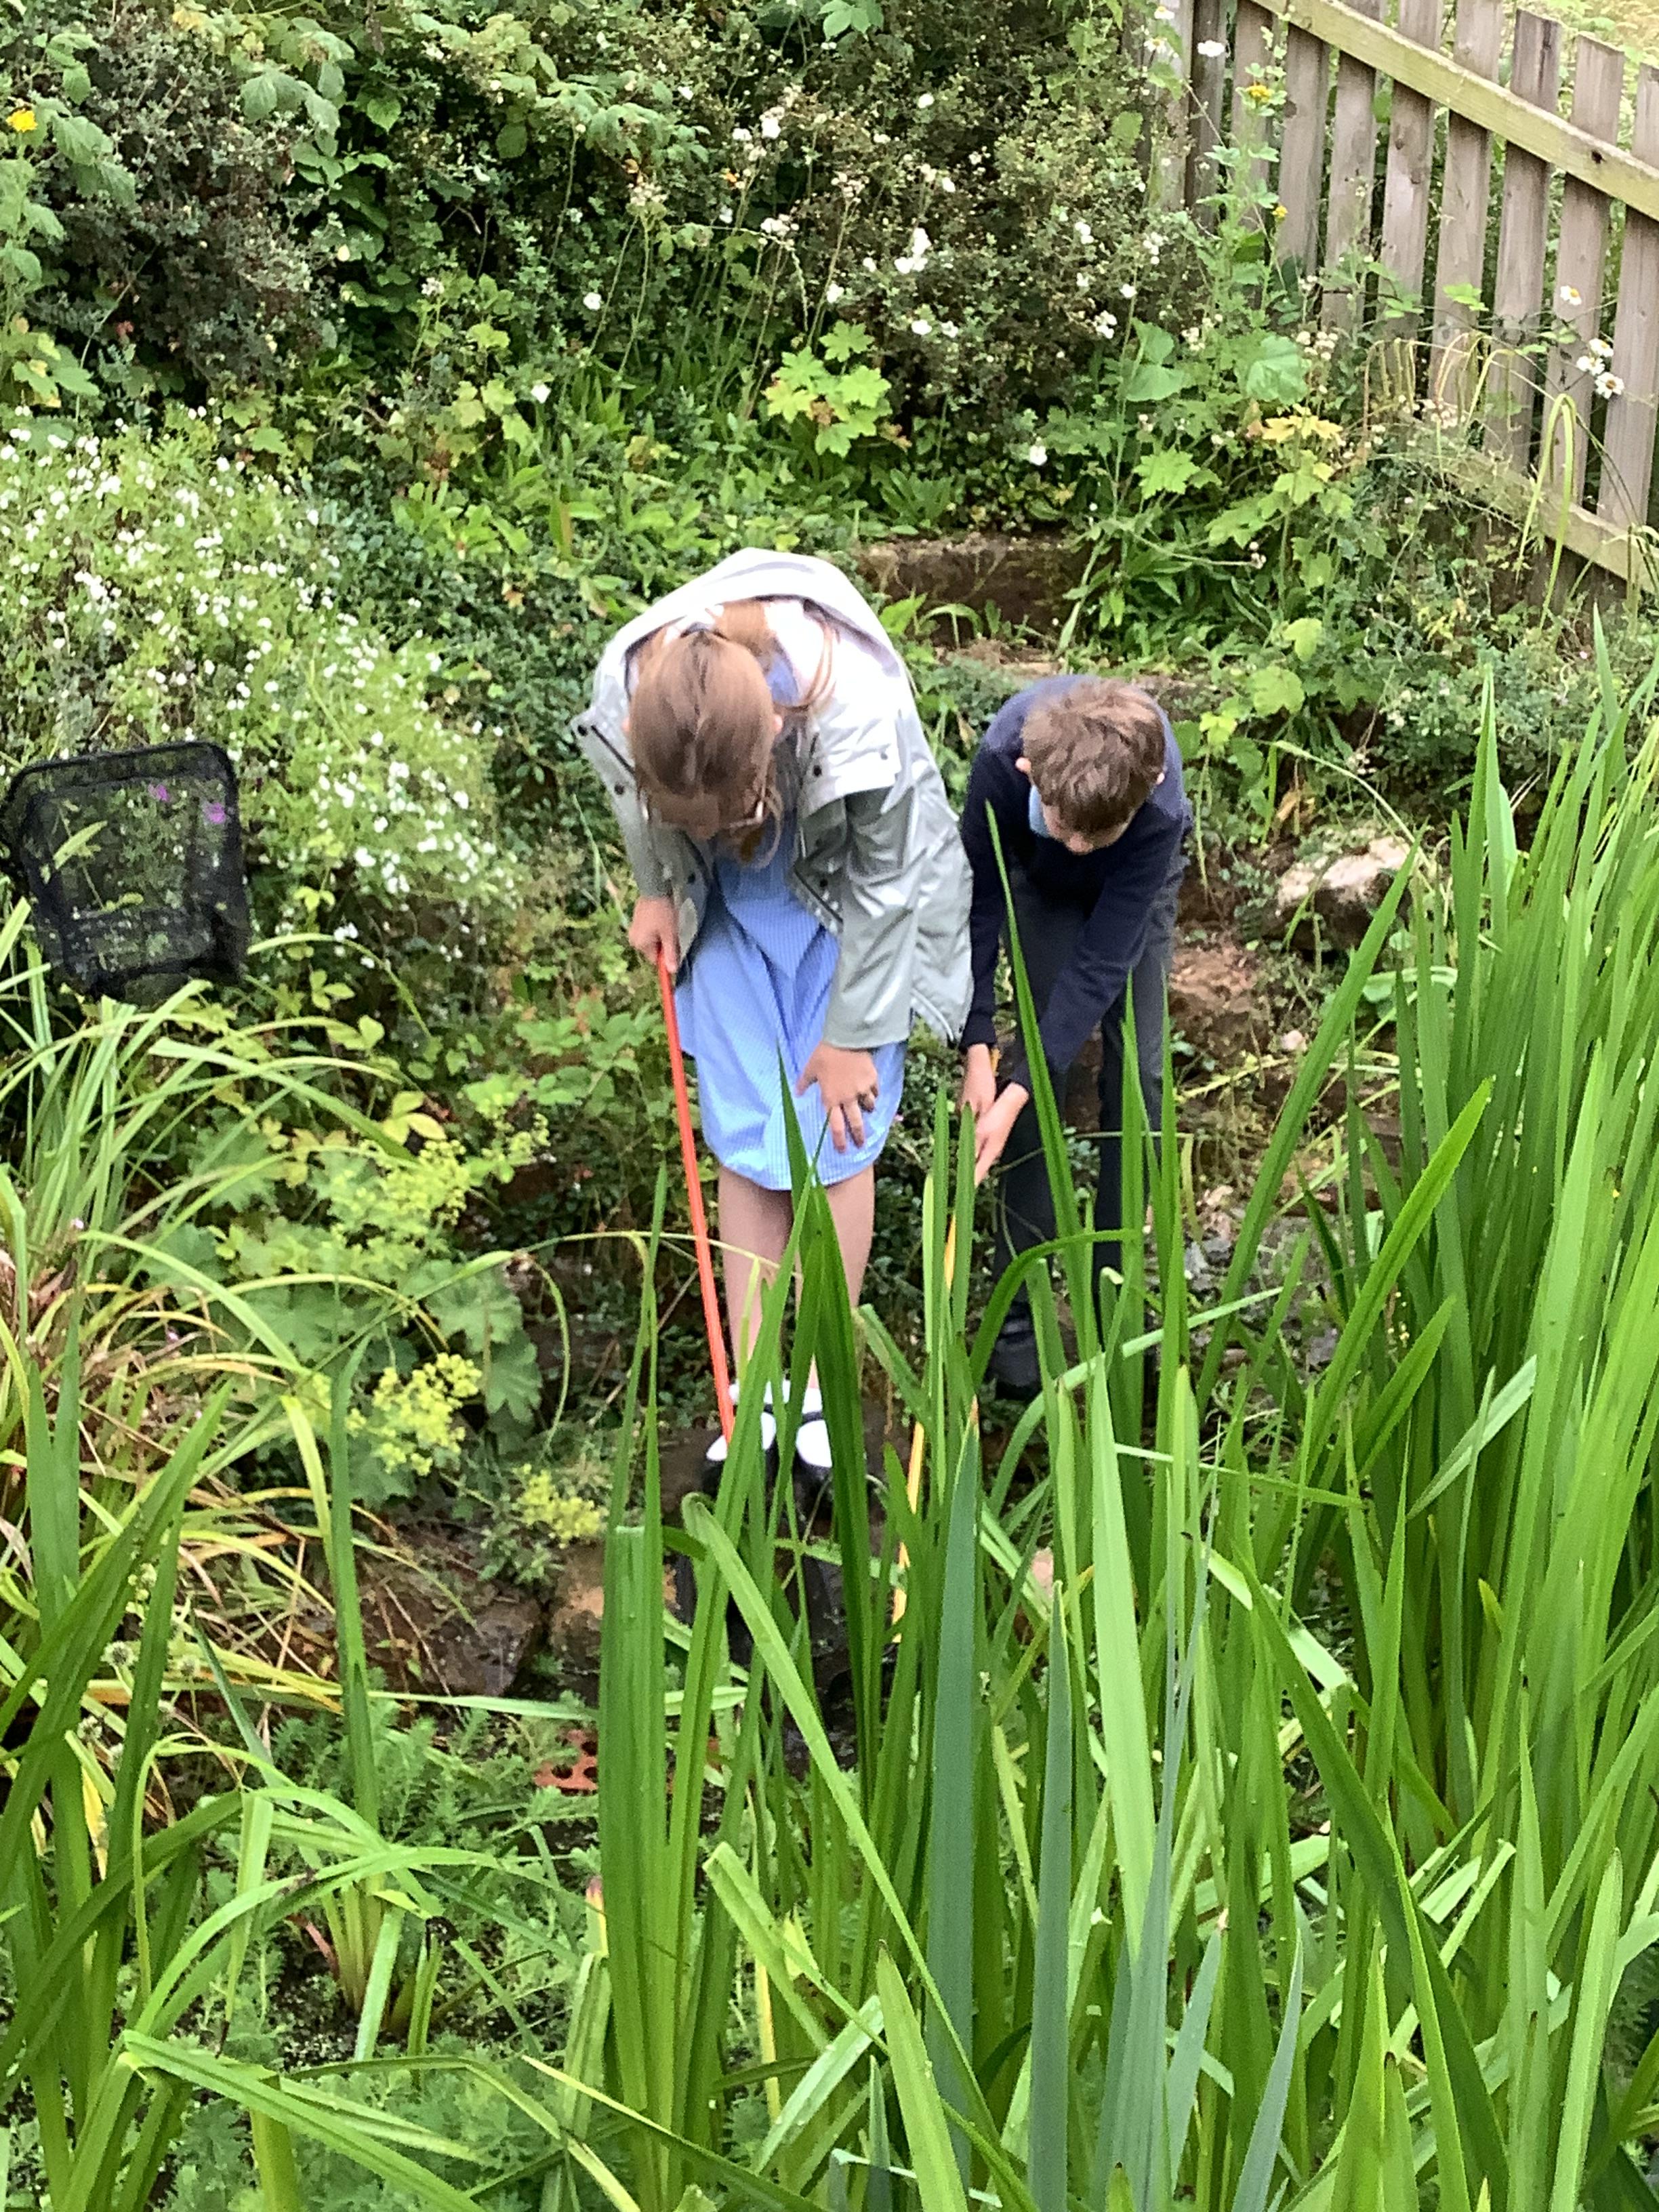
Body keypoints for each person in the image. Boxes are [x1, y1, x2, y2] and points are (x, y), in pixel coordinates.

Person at [577, 550, 972, 1473]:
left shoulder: (857, 706)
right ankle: (757, 1392)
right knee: (747, 1134)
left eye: (715, 815)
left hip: (842, 918)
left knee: (837, 1139)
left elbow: (888, 884)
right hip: (725, 912)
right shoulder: (630, 686)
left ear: (770, 751)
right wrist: (657, 886)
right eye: (686, 817)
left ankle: (821, 1388)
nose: (698, 829)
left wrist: (851, 1039)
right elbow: (634, 798)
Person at [959, 675, 1190, 1396]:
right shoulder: (1002, 765)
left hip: (1136, 885)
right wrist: (977, 1044)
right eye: (1069, 827)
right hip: (1035, 878)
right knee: (1037, 1073)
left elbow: (1101, 964)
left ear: (1150, 785)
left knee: (1140, 1076)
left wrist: (1013, 1089)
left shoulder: (1158, 806)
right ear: (1032, 773)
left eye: (1099, 834)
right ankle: (1016, 1329)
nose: (1083, 847)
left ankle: (1118, 1313)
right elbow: (978, 903)